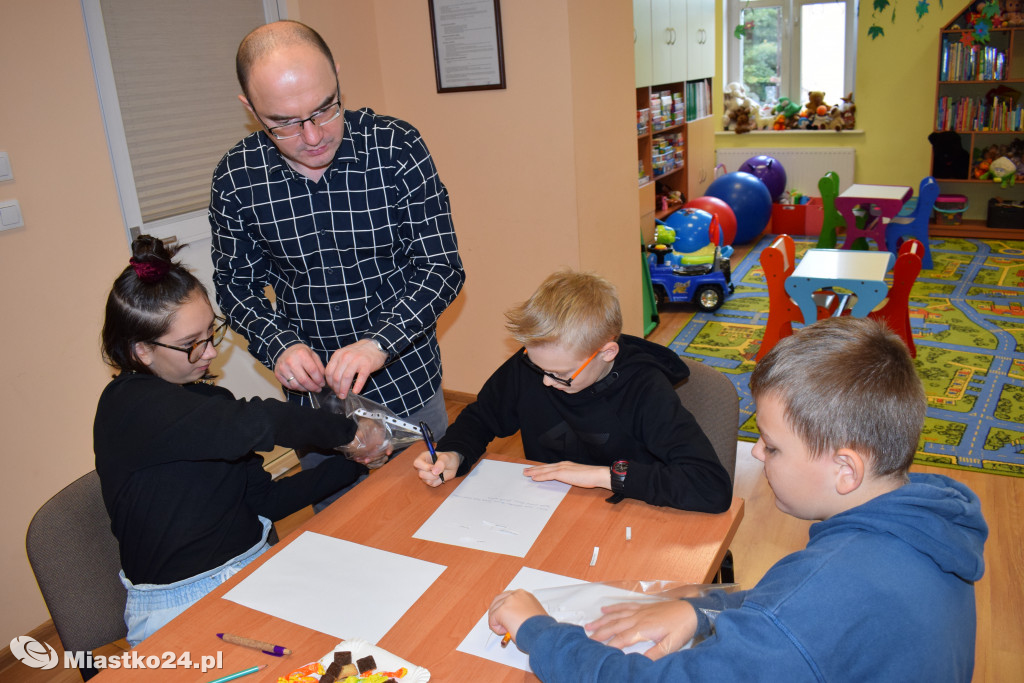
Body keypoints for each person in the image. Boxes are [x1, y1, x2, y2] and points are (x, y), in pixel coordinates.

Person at [487, 316, 988, 682]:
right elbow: (795, 615)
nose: (756, 452)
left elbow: (788, 620)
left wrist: (537, 629)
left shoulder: (818, 594)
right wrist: (703, 611)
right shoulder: (927, 522)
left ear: (845, 468)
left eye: (772, 445)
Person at [209, 20, 465, 505]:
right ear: (250, 108)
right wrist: (279, 345)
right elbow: (236, 289)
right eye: (283, 122)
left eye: (325, 109)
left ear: (338, 79)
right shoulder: (237, 178)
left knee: (432, 521)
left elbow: (442, 268)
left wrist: (379, 343)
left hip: (408, 383)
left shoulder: (395, 148)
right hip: (316, 408)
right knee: (343, 531)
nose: (311, 136)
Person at [94, 236, 367, 646]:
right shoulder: (129, 405)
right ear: (142, 351)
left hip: (254, 569)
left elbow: (264, 503)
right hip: (178, 605)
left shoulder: (209, 403)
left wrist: (359, 463)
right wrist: (353, 436)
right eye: (191, 345)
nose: (209, 353)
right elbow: (264, 421)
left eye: (211, 332)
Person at [413, 270, 731, 513]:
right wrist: (454, 453)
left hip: (632, 513)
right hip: (549, 510)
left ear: (606, 353)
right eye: (537, 367)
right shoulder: (534, 365)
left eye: (561, 374)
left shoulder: (646, 389)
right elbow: (481, 417)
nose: (546, 381)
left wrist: (603, 475)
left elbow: (710, 487)